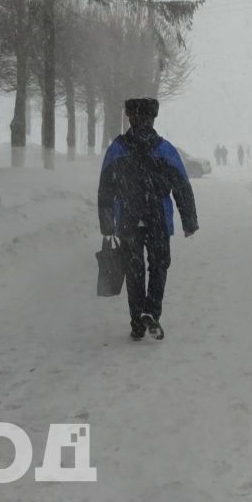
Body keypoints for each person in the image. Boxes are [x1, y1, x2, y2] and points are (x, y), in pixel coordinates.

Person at [98, 98, 198, 341]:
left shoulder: (117, 149)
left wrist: (107, 222)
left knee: (134, 271)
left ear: (129, 118)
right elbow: (182, 186)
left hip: (127, 220)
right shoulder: (165, 150)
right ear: (153, 119)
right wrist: (189, 220)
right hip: (158, 219)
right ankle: (151, 312)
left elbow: (106, 189)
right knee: (159, 266)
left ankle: (137, 323)